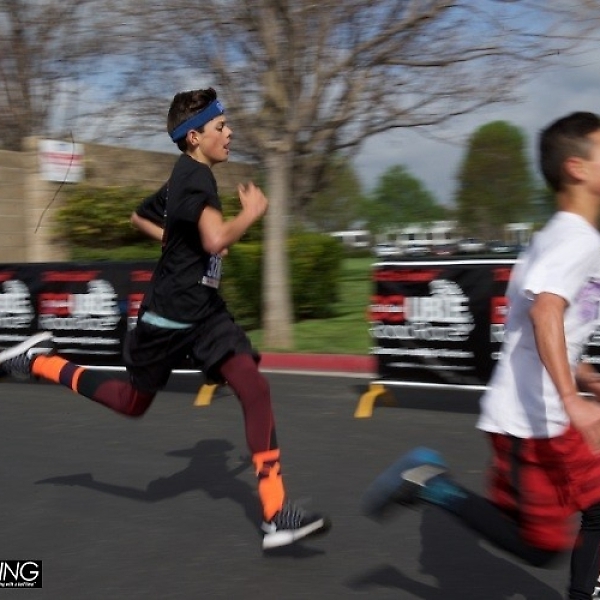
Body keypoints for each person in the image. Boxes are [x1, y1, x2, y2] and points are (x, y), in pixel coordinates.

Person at [0, 87, 330, 551]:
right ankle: (41, 361)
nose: (230, 133)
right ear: (195, 136)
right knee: (131, 403)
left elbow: (140, 217)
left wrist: (177, 240)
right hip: (168, 318)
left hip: (206, 314)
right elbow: (215, 241)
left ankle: (276, 514)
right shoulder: (195, 180)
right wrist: (249, 216)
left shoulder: (183, 178)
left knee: (255, 387)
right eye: (221, 127)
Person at [362, 111, 600, 600]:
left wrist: (584, 375)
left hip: (540, 415)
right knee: (548, 543)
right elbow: (545, 313)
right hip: (535, 422)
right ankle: (432, 485)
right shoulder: (577, 240)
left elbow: (536, 326)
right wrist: (572, 400)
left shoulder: (555, 237)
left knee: (583, 518)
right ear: (577, 168)